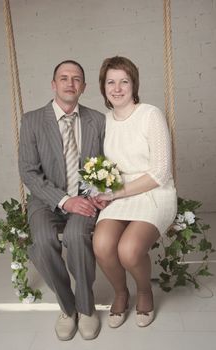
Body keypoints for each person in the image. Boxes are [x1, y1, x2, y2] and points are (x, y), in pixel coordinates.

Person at [18, 60, 106, 341]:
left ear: (84, 87)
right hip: (47, 200)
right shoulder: (32, 120)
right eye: (64, 78)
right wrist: (65, 201)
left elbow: (108, 164)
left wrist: (99, 194)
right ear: (54, 84)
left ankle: (86, 307)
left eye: (77, 78)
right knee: (42, 240)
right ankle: (68, 308)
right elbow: (29, 173)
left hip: (85, 199)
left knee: (77, 235)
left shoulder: (98, 120)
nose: (70, 83)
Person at [93, 56, 177, 329]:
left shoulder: (150, 114)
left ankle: (144, 291)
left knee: (128, 250)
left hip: (153, 192)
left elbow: (160, 172)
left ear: (134, 85)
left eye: (124, 82)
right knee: (102, 246)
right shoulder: (103, 122)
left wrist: (115, 194)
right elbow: (102, 167)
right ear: (103, 87)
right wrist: (100, 190)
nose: (117, 88)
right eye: (111, 82)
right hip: (119, 193)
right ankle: (120, 292)